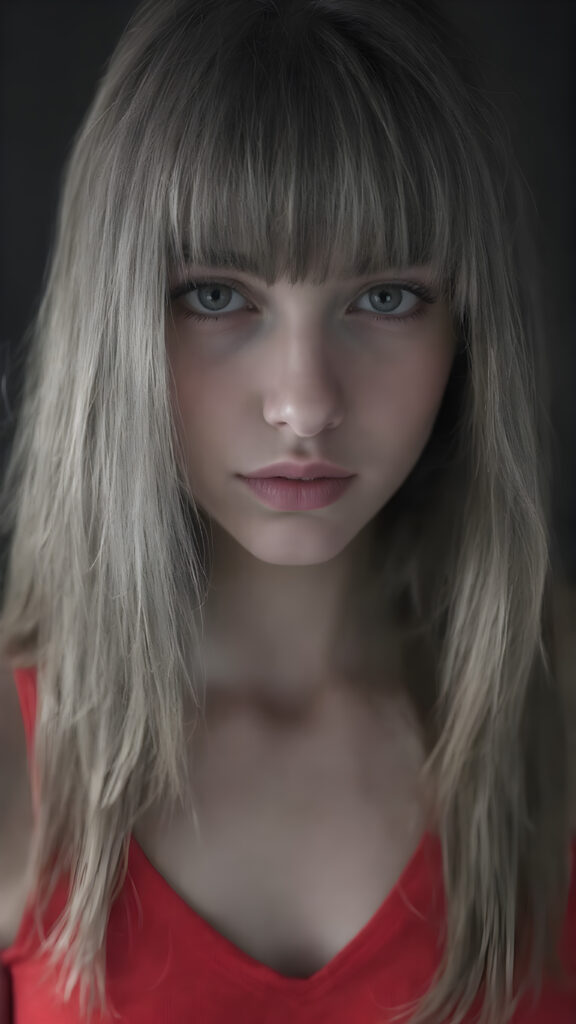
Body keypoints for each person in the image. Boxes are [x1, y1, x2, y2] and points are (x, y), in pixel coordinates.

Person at [0, 0, 574, 1021]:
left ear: (471, 328)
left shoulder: (558, 710)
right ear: (115, 319)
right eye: (218, 296)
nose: (304, 403)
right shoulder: (18, 743)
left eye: (386, 297)